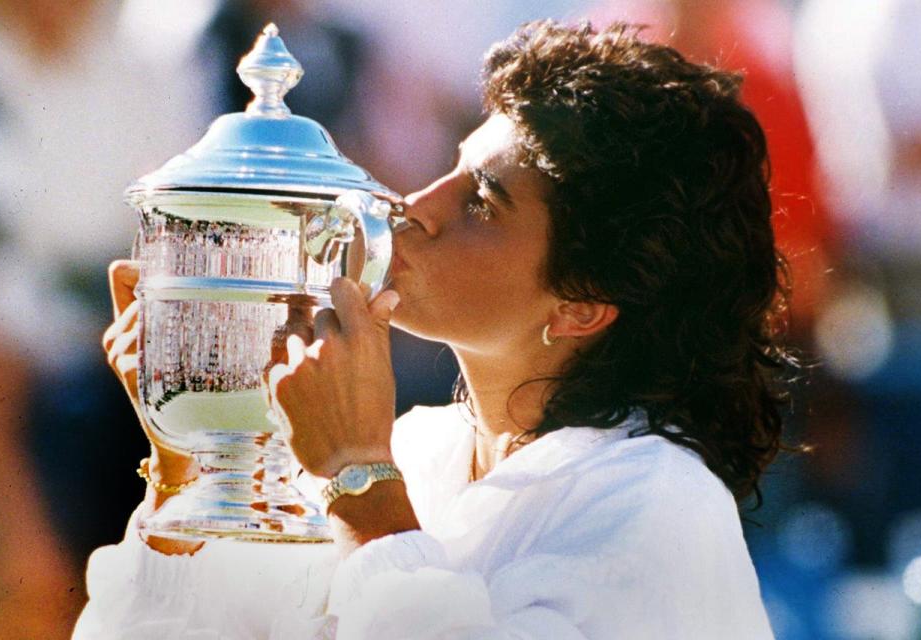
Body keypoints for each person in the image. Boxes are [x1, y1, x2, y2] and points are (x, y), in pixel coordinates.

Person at [76, 20, 789, 638]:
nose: (414, 204)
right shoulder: (416, 449)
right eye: (452, 166)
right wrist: (189, 458)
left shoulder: (661, 506)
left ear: (582, 304)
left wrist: (363, 485)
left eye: (483, 201)